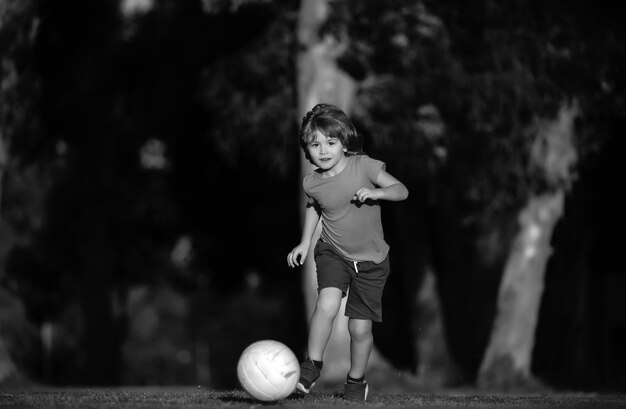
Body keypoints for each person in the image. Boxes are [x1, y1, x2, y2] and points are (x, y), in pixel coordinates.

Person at [287, 103, 409, 402]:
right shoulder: (312, 182)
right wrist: (305, 243)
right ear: (307, 148)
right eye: (315, 144)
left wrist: (378, 192)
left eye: (331, 142)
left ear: (344, 143)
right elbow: (315, 207)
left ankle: (356, 382)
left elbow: (401, 190)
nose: (323, 150)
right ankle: (311, 366)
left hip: (372, 261)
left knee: (359, 329)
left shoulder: (364, 166)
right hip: (333, 251)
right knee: (327, 303)